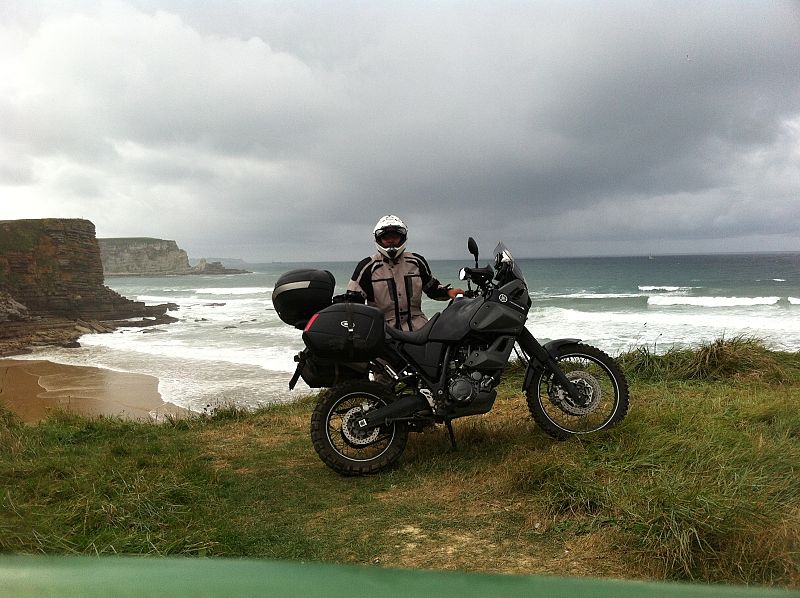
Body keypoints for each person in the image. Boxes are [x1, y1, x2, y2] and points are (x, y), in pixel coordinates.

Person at [346, 215, 463, 331]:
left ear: (402, 238)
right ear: (379, 239)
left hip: (419, 329)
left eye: (395, 237)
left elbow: (432, 288)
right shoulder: (368, 266)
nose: (391, 241)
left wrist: (449, 292)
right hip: (382, 330)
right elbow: (353, 302)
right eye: (386, 237)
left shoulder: (416, 262)